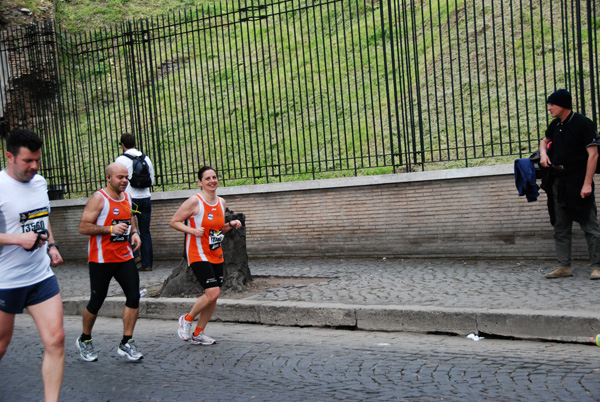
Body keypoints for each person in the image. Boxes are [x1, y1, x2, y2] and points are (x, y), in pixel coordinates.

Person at [0, 129, 65, 402]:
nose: (34, 166)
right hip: (6, 280)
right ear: (9, 156)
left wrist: (51, 245)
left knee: (56, 339)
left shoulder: (40, 182)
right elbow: (20, 234)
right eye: (28, 160)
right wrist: (17, 239)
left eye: (37, 159)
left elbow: (41, 218)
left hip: (40, 276)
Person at [76, 162, 144, 361]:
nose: (124, 181)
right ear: (108, 178)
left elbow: (131, 215)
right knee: (96, 301)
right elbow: (83, 227)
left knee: (134, 296)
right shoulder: (99, 199)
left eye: (126, 177)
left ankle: (126, 342)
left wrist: (135, 232)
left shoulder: (127, 196)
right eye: (120, 177)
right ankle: (85, 339)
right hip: (101, 259)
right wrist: (109, 229)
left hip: (124, 256)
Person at [170, 166, 242, 345]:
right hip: (197, 252)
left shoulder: (221, 202)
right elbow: (174, 222)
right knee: (213, 292)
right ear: (200, 182)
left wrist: (231, 224)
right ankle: (186, 319)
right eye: (207, 178)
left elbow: (218, 230)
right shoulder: (195, 201)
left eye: (214, 177)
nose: (212, 181)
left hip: (215, 252)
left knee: (214, 296)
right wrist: (192, 230)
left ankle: (198, 333)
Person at [538, 89, 600, 279]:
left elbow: (594, 155)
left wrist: (587, 184)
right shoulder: (556, 124)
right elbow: (544, 141)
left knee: (590, 226)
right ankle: (564, 266)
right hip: (559, 181)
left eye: (552, 104)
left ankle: (597, 266)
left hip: (579, 180)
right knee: (560, 225)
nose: (549, 108)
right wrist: (543, 154)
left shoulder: (583, 124)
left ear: (563, 105)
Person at [115, 133, 154, 272]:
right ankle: (148, 263)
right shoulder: (146, 158)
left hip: (129, 199)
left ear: (122, 144)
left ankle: (134, 256)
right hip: (145, 198)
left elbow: (116, 179)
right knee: (145, 231)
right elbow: (152, 180)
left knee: (127, 229)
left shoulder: (120, 160)